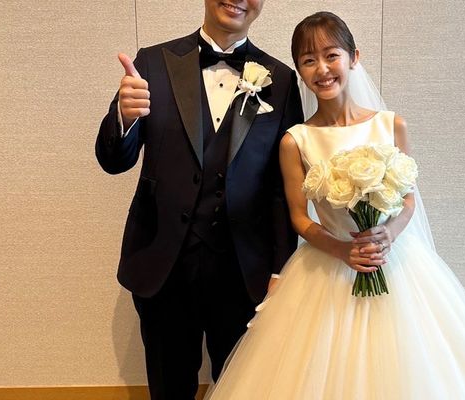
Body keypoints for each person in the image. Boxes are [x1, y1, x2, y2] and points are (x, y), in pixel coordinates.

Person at [205, 11, 465, 400]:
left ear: (354, 58)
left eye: (331, 55)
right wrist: (342, 249)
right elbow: (298, 217)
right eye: (309, 60)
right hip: (328, 265)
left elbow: (408, 200)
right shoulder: (296, 140)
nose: (322, 69)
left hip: (396, 263)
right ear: (299, 71)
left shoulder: (391, 125)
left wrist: (387, 235)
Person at [95, 1, 303, 399]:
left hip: (245, 273)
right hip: (163, 266)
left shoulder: (280, 79)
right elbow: (113, 161)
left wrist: (281, 270)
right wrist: (124, 116)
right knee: (169, 388)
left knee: (240, 390)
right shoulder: (152, 63)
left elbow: (282, 187)